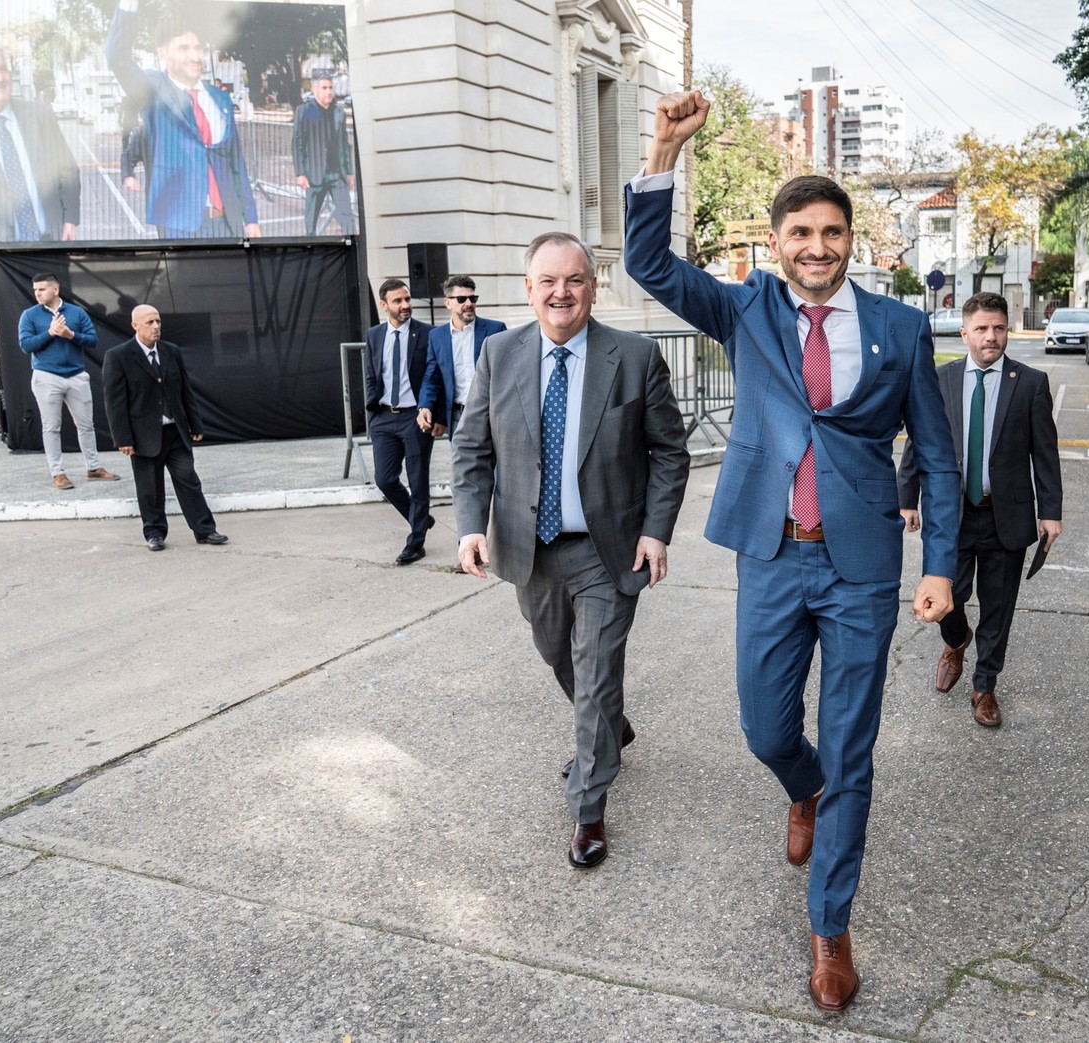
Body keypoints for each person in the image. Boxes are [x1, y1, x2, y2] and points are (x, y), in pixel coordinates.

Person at [623, 91, 959, 1014]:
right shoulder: (746, 311)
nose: (817, 246)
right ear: (776, 242)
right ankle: (796, 787)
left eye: (832, 232)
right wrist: (664, 146)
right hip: (770, 556)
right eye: (801, 232)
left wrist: (938, 564)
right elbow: (646, 261)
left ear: (854, 239)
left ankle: (828, 928)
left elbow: (933, 449)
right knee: (768, 729)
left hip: (860, 569)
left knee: (853, 749)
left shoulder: (896, 326)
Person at [451, 231, 689, 872]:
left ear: (592, 286)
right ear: (529, 291)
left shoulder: (634, 358)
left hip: (607, 552)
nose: (562, 293)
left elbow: (669, 452)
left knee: (594, 673)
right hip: (531, 551)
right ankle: (613, 727)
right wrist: (470, 525)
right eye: (548, 282)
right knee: (559, 657)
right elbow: (473, 449)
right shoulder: (499, 355)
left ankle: (587, 807)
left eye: (575, 280)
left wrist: (656, 530)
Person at [898, 292, 1063, 728]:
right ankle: (956, 639)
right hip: (949, 515)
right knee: (946, 598)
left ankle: (984, 686)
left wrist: (1051, 512)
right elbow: (920, 442)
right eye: (983, 329)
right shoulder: (940, 380)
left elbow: (1045, 454)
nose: (992, 337)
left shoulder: (1030, 383)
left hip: (1004, 515)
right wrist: (906, 499)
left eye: (999, 328)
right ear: (964, 332)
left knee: (999, 606)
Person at [106, 0, 261, 239]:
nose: (194, 56)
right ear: (162, 54)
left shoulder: (220, 98)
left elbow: (235, 163)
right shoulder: (154, 89)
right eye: (183, 48)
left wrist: (250, 219)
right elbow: (117, 57)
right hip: (180, 228)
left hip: (227, 223)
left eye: (197, 48)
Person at [102, 305, 227, 551]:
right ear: (135, 325)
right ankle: (154, 533)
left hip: (175, 432)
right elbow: (115, 402)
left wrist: (195, 423)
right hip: (143, 437)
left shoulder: (171, 352)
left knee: (189, 480)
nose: (156, 326)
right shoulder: (119, 356)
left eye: (158, 321)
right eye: (149, 322)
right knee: (150, 487)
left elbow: (185, 391)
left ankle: (205, 530)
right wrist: (123, 438)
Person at [0, 36, 81, 243]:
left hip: (50, 242)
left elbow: (67, 170)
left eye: (3, 68)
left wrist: (70, 219)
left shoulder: (40, 116)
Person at [18, 273, 119, 490]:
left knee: (86, 425)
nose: (37, 293)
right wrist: (51, 333)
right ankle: (58, 473)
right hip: (46, 376)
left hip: (76, 376)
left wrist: (70, 334)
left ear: (55, 289)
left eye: (42, 289)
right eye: (35, 290)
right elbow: (26, 345)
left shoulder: (76, 312)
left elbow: (92, 340)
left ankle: (93, 468)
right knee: (51, 427)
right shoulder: (29, 315)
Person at [365, 279, 435, 565]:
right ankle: (420, 518)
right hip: (383, 417)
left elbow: (434, 376)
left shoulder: (428, 334)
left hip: (414, 417)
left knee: (418, 483)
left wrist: (432, 412)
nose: (405, 305)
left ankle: (416, 543)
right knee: (385, 479)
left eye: (407, 299)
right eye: (398, 301)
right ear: (384, 305)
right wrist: (372, 415)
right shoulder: (374, 335)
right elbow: (371, 374)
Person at [417, 275, 507, 441]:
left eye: (472, 298)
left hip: (491, 413)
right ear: (448, 303)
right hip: (458, 416)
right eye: (461, 299)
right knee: (463, 466)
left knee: (497, 466)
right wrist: (425, 406)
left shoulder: (495, 329)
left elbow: (507, 374)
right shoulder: (436, 336)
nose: (469, 303)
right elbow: (432, 377)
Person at [291, 73, 356, 235]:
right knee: (311, 221)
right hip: (314, 175)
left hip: (337, 175)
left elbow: (344, 143)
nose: (328, 92)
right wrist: (300, 173)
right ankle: (311, 250)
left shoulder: (338, 112)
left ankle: (352, 249)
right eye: (324, 88)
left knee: (347, 218)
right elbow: (298, 143)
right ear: (314, 90)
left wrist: (349, 172)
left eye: (330, 88)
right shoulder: (306, 111)